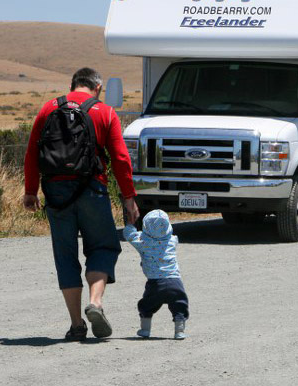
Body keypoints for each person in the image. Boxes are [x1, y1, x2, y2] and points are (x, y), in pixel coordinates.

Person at [23, 67, 139, 341]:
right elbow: (121, 159)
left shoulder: (48, 108)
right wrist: (129, 197)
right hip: (92, 190)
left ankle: (76, 325)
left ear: (73, 84)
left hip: (55, 194)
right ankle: (95, 303)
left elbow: (31, 153)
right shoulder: (105, 112)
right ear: (97, 87)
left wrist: (30, 191)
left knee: (65, 255)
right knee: (103, 246)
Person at [122, 210, 189, 340]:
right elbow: (170, 236)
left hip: (155, 283)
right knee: (179, 305)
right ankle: (179, 331)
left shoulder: (143, 242)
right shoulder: (172, 241)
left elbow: (129, 235)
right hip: (175, 282)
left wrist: (131, 224)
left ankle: (145, 330)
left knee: (146, 305)